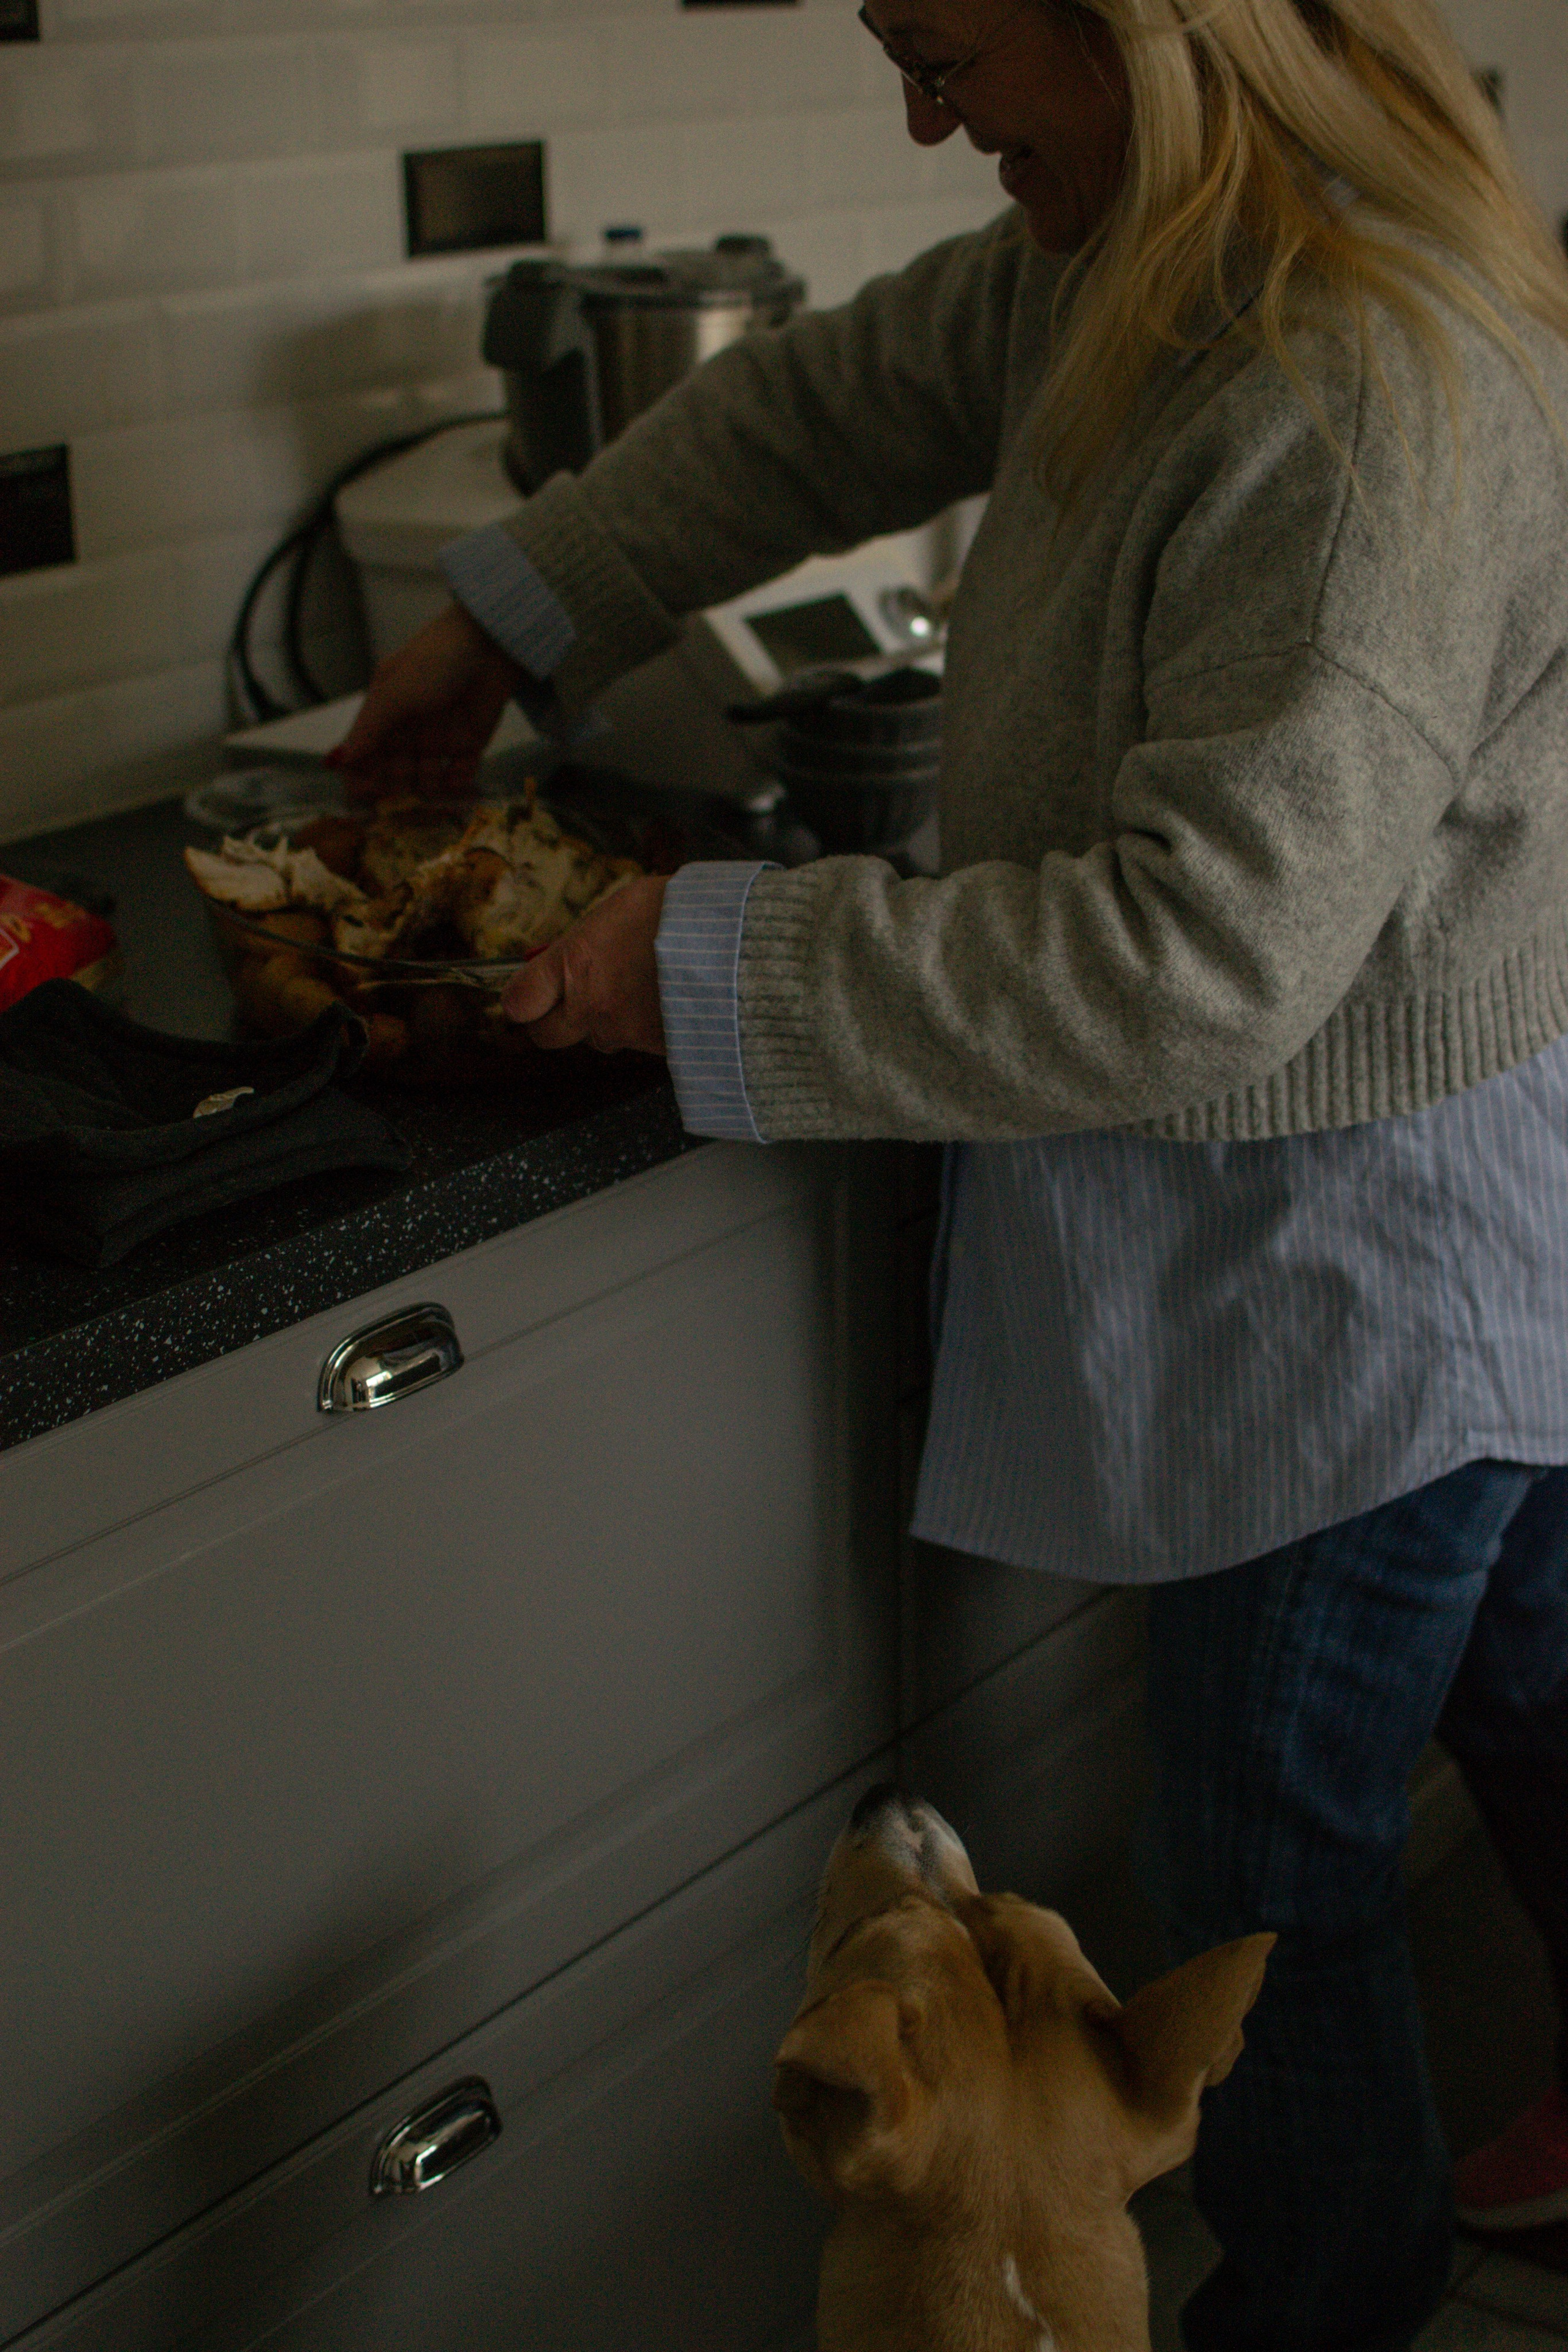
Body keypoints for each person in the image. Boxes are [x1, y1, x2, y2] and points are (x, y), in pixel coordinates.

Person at [330, 2, 1568, 2343]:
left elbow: (1200, 959)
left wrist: (713, 966)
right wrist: (504, 615)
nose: (922, 113)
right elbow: (837, 398)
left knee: (1251, 1878)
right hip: (1412, 1199)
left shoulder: (1350, 377)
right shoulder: (1144, 248)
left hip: (1343, 1253)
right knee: (1532, 1696)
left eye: (955, 50)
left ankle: (1327, 2304)